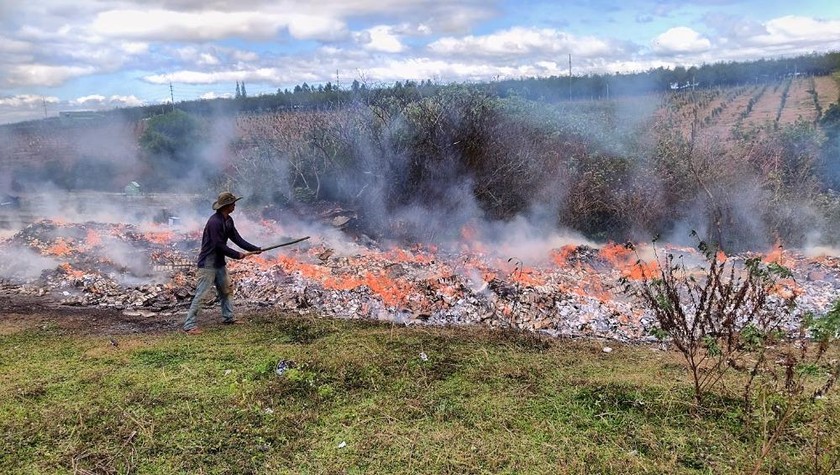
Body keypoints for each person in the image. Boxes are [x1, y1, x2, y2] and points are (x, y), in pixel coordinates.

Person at [182, 192, 262, 334]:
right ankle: (189, 325)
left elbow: (237, 238)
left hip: (219, 262)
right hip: (208, 262)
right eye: (233, 203)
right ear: (226, 206)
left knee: (226, 290)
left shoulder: (228, 220)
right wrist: (236, 254)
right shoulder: (214, 222)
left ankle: (228, 317)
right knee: (201, 294)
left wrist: (253, 249)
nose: (235, 205)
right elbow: (218, 244)